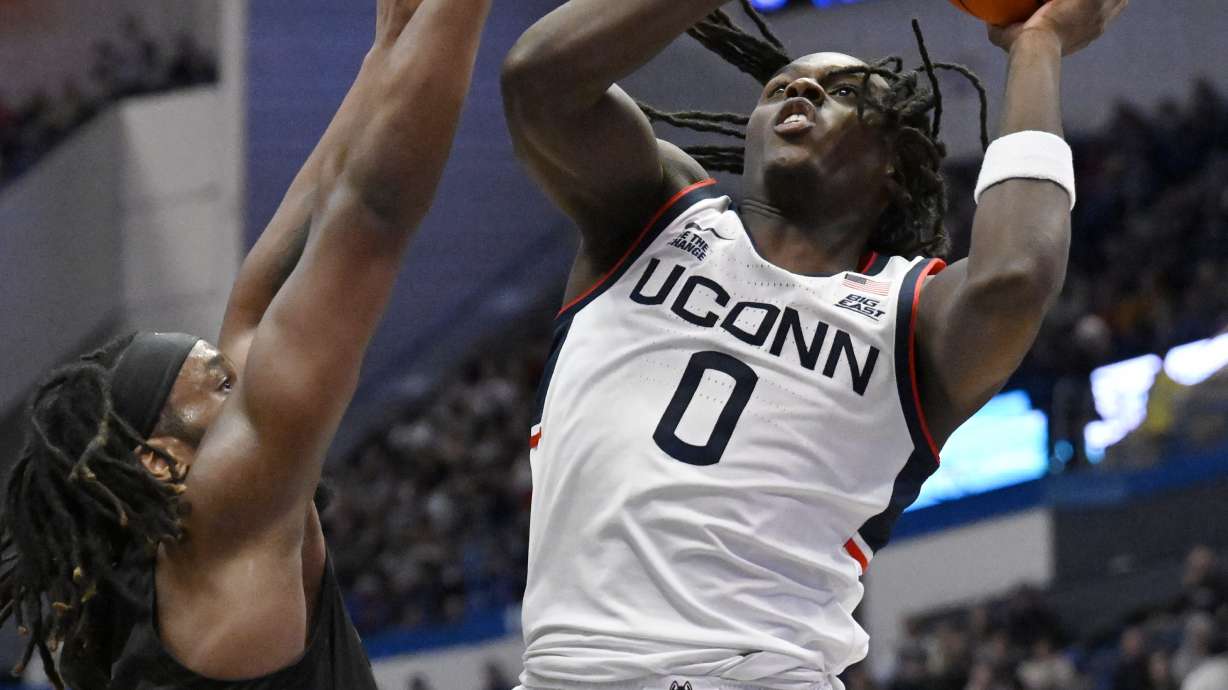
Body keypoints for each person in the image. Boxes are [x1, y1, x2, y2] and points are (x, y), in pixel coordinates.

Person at [502, 0, 1125, 688]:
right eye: (780, 88)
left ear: (895, 161)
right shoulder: (652, 213)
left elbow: (1019, 274)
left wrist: (1038, 45)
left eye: (844, 92)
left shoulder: (910, 316)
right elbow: (540, 80)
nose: (801, 90)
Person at [0, 0, 491, 687]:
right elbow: (370, 214)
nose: (250, 381)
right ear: (161, 461)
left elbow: (278, 268)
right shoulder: (226, 513)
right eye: (220, 386)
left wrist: (384, 57)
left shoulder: (176, 543)